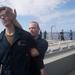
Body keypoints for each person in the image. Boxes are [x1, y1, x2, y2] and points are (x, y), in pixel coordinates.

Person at [5, 7, 48, 75]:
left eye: (33, 28)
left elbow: (34, 53)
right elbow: (21, 31)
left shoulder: (43, 42)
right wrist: (13, 20)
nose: (31, 30)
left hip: (35, 71)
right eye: (29, 28)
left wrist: (24, 45)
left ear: (39, 29)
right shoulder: (25, 38)